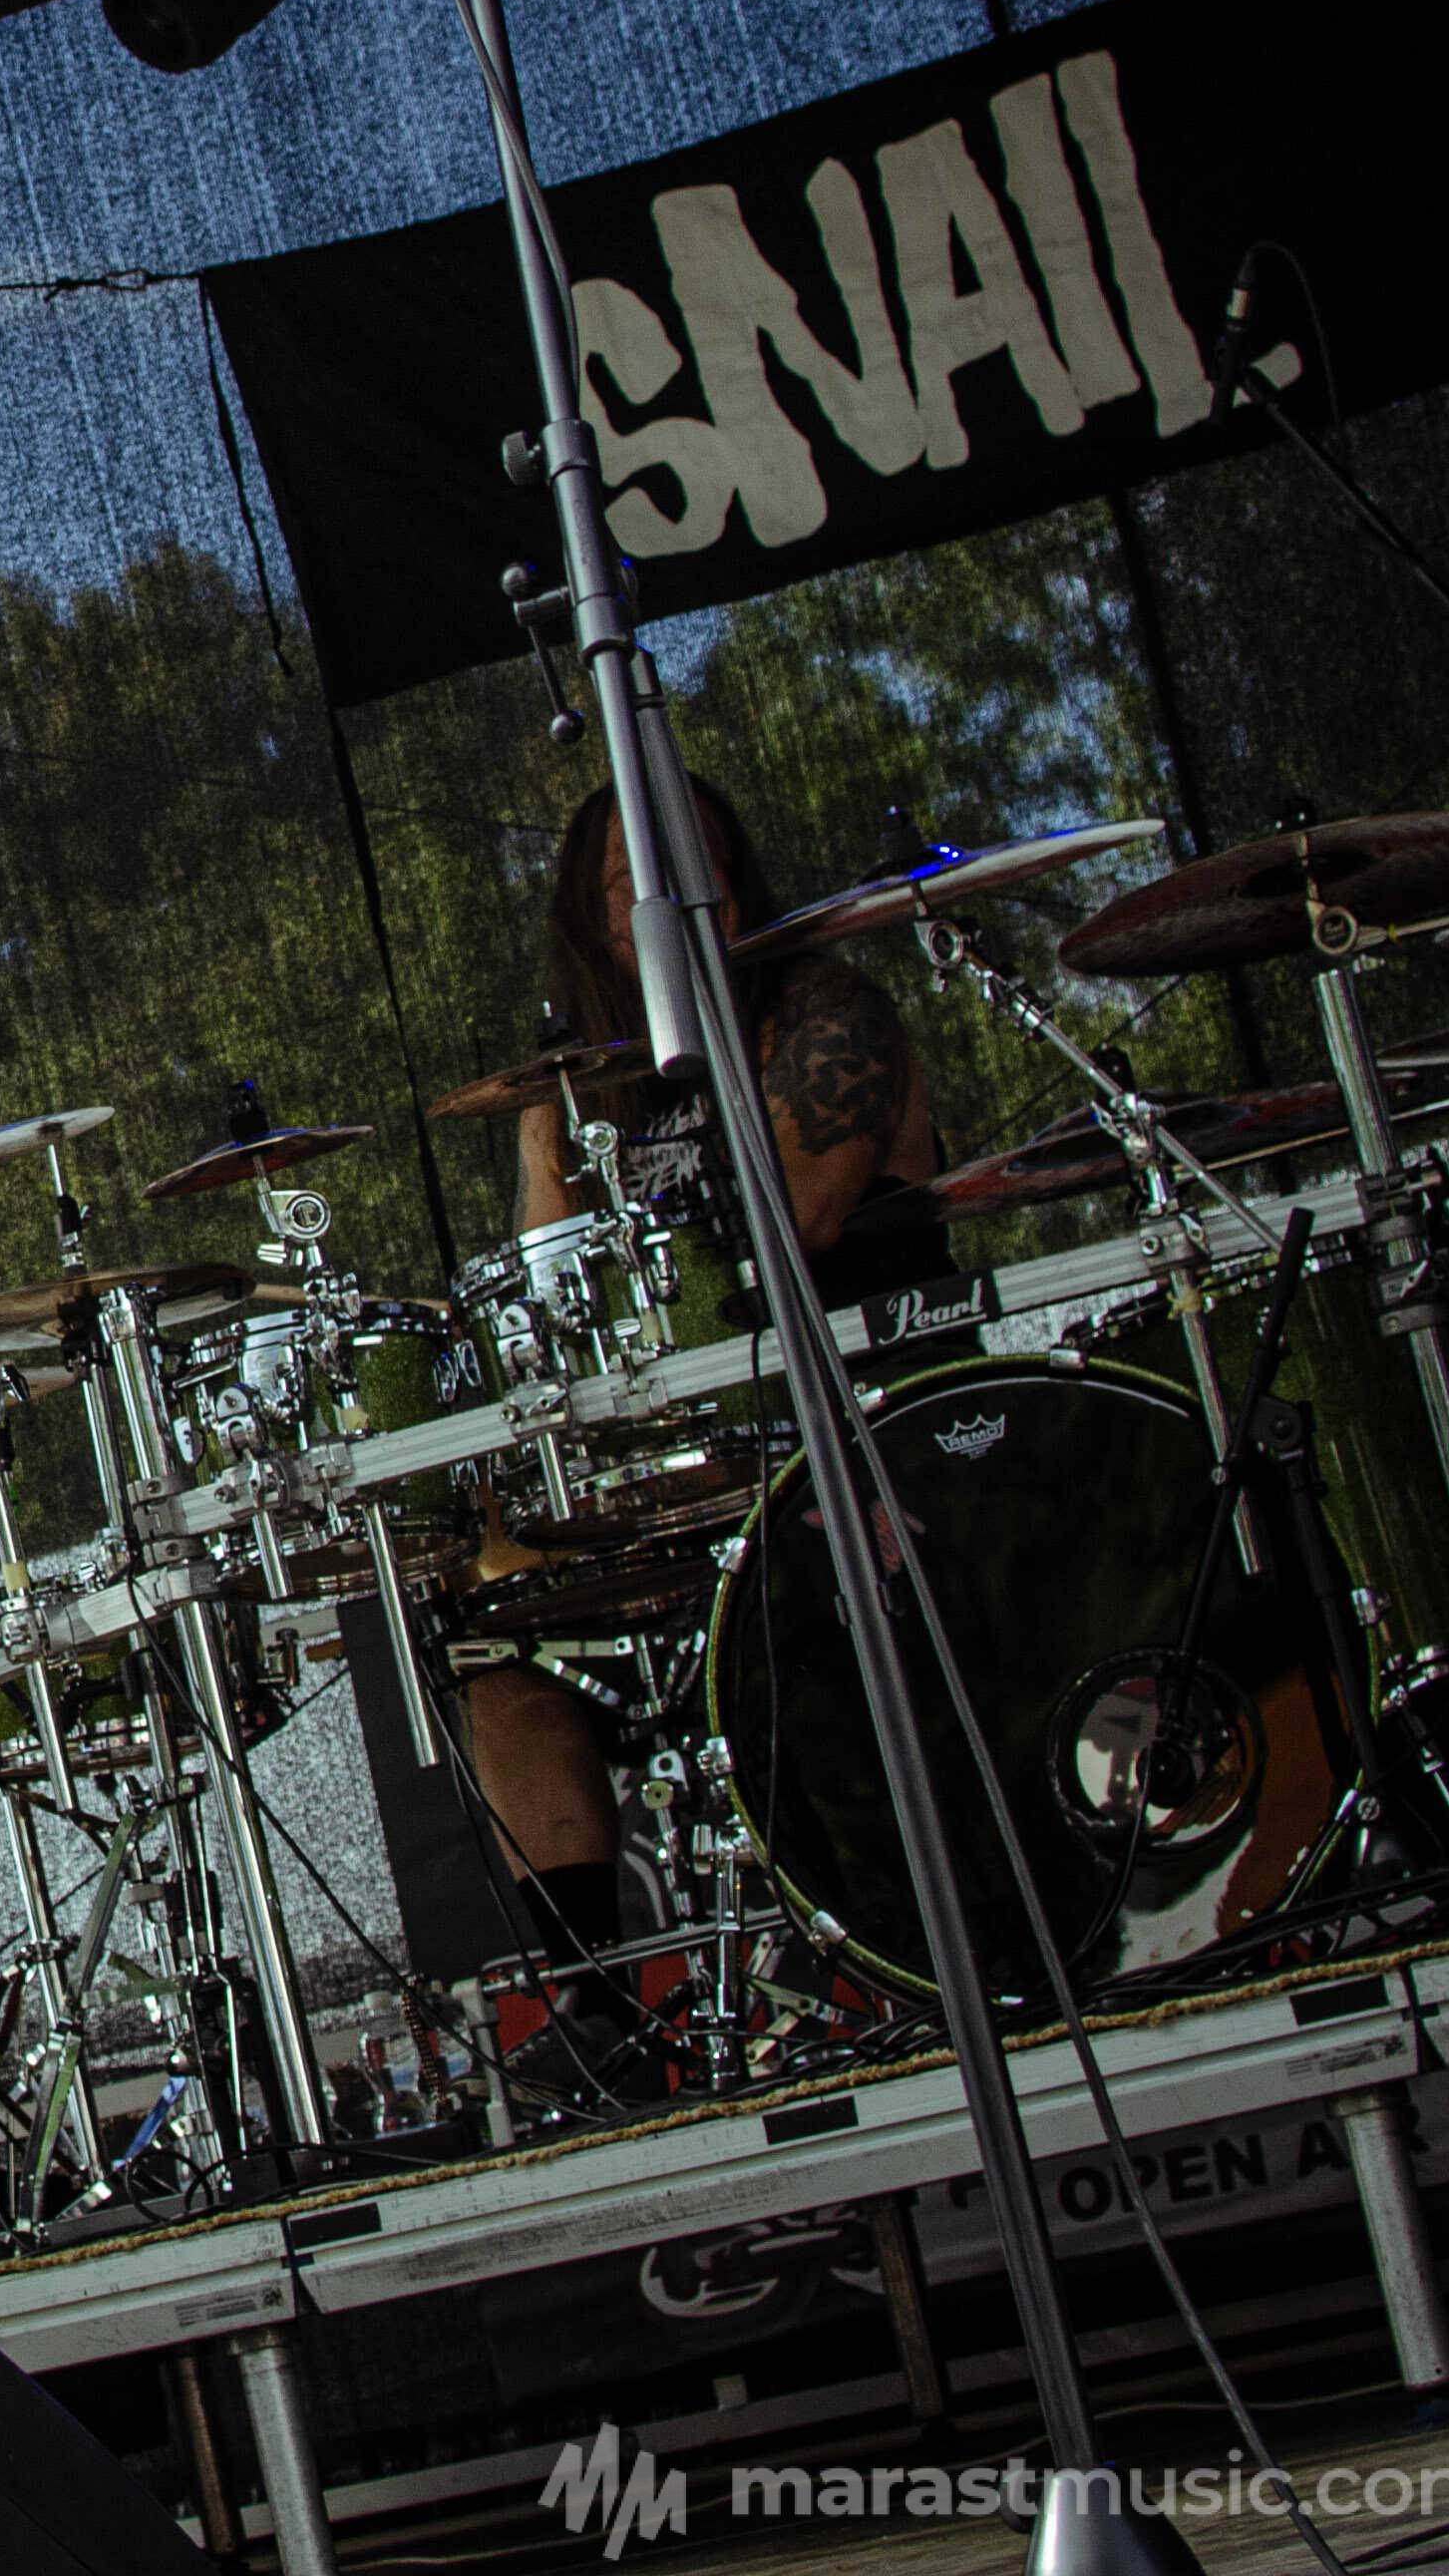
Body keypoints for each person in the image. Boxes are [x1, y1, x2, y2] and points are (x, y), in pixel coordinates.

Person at [468, 781, 943, 1990]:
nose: (659, 894)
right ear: (591, 917)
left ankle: (861, 1939)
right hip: (688, 1473)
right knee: (494, 1646)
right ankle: (593, 2010)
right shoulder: (578, 1089)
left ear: (731, 879)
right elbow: (552, 1301)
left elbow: (794, 1222)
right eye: (623, 880)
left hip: (860, 1434)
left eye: (688, 860)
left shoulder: (823, 1010)